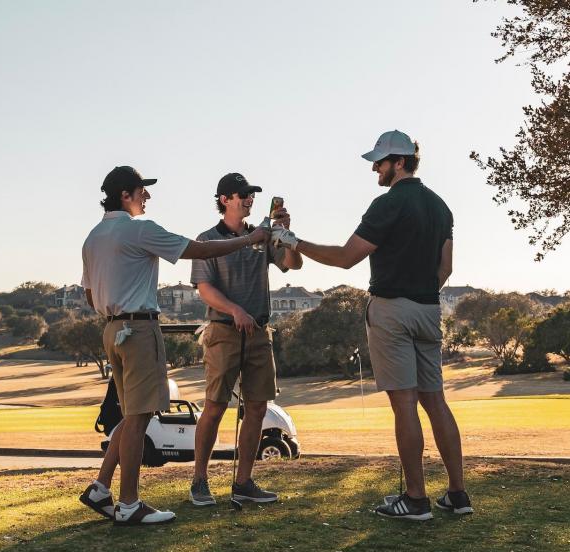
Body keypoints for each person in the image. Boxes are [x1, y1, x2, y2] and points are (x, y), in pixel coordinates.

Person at [272, 131, 473, 520]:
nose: (374, 168)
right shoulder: (440, 207)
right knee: (435, 401)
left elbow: (347, 257)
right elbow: (445, 268)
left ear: (398, 162)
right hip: (430, 310)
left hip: (391, 310)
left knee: (404, 405)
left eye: (379, 162)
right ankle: (458, 494)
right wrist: (421, 294)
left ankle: (415, 500)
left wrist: (294, 241)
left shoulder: (389, 203)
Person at [79, 166, 269, 526]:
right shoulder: (139, 229)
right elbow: (198, 249)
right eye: (141, 191)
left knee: (130, 414)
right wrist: (249, 239)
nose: (146, 196)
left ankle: (101, 488)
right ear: (125, 194)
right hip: (139, 330)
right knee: (139, 418)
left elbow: (91, 296)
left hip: (111, 330)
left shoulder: (93, 237)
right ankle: (130, 503)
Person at [189, 173, 302, 506]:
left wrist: (288, 236)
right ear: (225, 199)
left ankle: (244, 483)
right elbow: (205, 290)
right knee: (215, 406)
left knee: (257, 407)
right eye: (243, 195)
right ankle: (199, 481)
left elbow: (292, 266)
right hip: (223, 331)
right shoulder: (206, 239)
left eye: (252, 195)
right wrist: (235, 309)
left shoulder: (263, 235)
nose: (249, 199)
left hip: (259, 333)